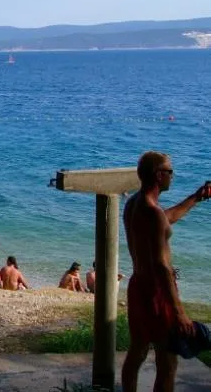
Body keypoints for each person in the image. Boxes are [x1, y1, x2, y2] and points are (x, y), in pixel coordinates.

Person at [122, 152, 211, 392]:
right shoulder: (152, 212)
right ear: (159, 175)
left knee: (137, 351)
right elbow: (162, 265)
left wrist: (195, 198)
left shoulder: (135, 204)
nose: (173, 175)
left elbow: (165, 218)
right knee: (168, 362)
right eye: (170, 171)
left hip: (138, 286)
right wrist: (179, 312)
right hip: (157, 292)